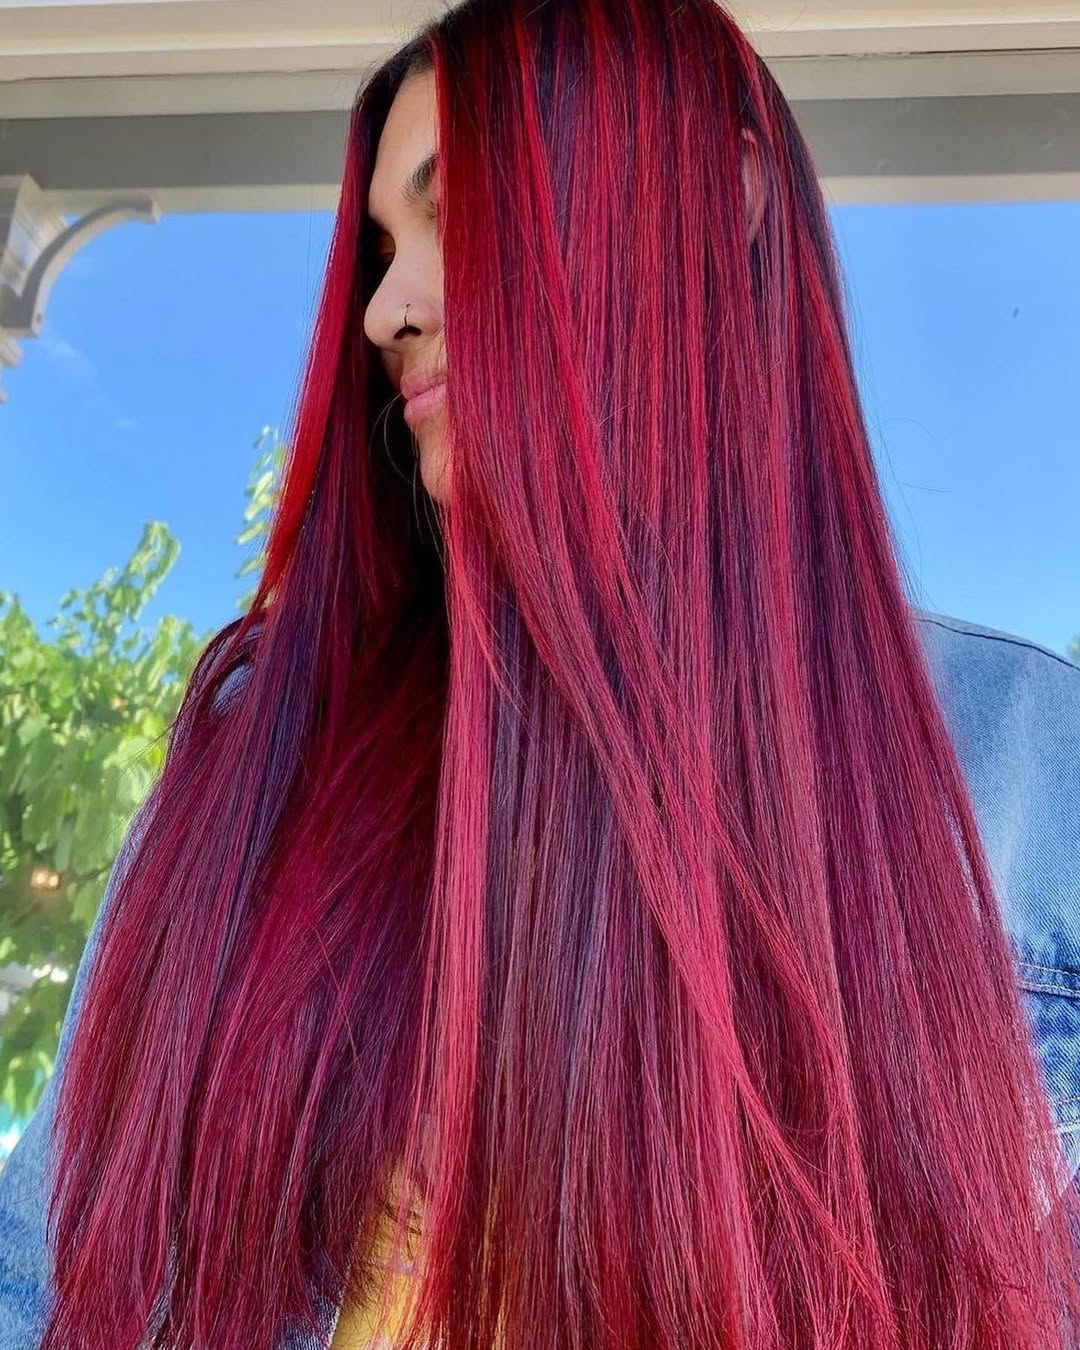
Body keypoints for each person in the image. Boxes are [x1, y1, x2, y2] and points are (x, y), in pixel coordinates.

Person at [3, 0, 1080, 1346]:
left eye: (457, 211)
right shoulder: (271, 743)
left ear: (724, 201)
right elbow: (41, 1278)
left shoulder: (1031, 767)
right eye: (384, 252)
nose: (386, 310)